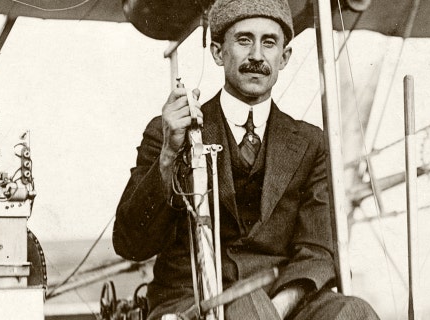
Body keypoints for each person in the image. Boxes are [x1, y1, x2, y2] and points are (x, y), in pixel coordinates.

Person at [113, 0, 379, 318]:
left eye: (269, 42)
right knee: (247, 310)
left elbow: (316, 250)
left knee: (354, 312)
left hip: (282, 302)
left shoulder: (310, 143)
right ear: (216, 51)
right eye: (243, 40)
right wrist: (170, 154)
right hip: (191, 301)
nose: (256, 56)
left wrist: (277, 310)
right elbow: (131, 244)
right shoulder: (167, 132)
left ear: (284, 57)